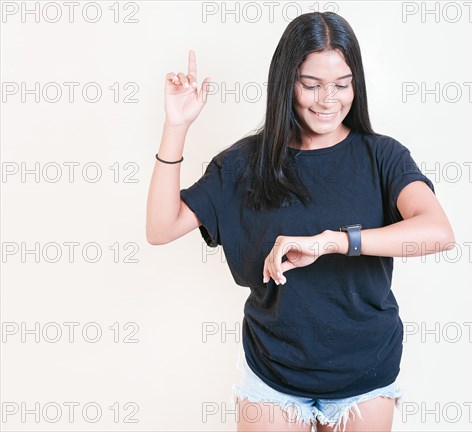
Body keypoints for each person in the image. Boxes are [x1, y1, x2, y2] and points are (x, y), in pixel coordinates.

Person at [146, 11, 455, 432]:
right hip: (274, 368)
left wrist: (332, 242)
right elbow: (161, 228)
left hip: (364, 371)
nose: (328, 100)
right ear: (285, 83)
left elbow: (438, 232)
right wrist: (175, 127)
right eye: (311, 85)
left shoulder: (382, 156)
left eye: (342, 85)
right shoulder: (242, 164)